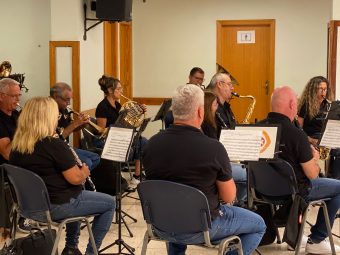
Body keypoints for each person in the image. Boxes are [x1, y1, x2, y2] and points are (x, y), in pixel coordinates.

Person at [143, 84, 266, 255]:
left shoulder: (151, 144)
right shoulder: (213, 148)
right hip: (202, 228)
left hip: (161, 224)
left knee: (178, 207)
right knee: (259, 225)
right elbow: (229, 197)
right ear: (201, 112)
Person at [9, 97, 116, 255]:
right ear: (47, 118)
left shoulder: (17, 146)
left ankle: (71, 248)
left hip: (28, 208)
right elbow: (76, 178)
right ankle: (89, 252)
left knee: (77, 193)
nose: (57, 119)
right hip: (55, 206)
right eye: (56, 116)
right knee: (109, 203)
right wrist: (84, 172)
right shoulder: (53, 145)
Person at [260, 86, 340, 254]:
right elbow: (312, 174)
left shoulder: (258, 128)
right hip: (294, 192)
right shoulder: (296, 134)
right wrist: (315, 160)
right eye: (295, 104)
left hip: (261, 191)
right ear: (290, 105)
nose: (296, 108)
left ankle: (294, 236)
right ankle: (317, 239)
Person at [95, 75, 147, 185]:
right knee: (131, 148)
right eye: (118, 89)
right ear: (110, 90)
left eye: (121, 88)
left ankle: (137, 176)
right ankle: (118, 177)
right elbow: (101, 131)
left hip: (120, 136)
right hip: (107, 140)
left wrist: (139, 111)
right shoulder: (102, 106)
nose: (121, 91)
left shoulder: (118, 105)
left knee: (143, 142)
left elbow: (128, 121)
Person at [206, 72, 247, 203]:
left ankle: (237, 203)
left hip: (229, 154)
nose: (232, 88)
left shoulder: (226, 108)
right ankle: (234, 204)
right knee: (250, 174)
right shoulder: (210, 108)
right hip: (219, 159)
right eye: (229, 84)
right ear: (219, 84)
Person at [0, 78, 33, 233]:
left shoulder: (16, 114)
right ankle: (23, 216)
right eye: (14, 96)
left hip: (20, 159)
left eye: (19, 95)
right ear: (1, 96)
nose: (18, 99)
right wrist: (24, 129)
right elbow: (6, 153)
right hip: (5, 166)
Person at [297, 76, 340, 179]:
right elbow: (298, 129)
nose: (323, 92)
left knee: (338, 151)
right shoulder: (305, 105)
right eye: (320, 89)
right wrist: (310, 140)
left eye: (325, 89)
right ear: (313, 90)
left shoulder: (329, 105)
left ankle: (334, 179)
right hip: (312, 137)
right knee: (336, 151)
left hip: (326, 137)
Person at [50, 82, 100, 172]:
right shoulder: (47, 111)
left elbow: (69, 129)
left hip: (66, 147)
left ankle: (81, 181)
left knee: (95, 158)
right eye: (66, 100)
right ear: (56, 96)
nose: (68, 103)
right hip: (56, 150)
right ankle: (76, 181)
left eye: (70, 100)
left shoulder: (64, 109)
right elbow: (56, 139)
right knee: (87, 162)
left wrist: (82, 124)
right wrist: (75, 123)